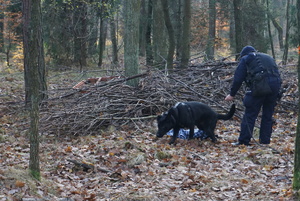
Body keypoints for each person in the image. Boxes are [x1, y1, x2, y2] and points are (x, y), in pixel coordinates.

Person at [225, 45, 281, 145]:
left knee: (250, 114)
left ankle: (243, 141)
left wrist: (232, 94)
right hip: (275, 85)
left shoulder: (246, 59)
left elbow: (238, 78)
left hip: (260, 86)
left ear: (243, 55)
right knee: (267, 115)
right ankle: (265, 141)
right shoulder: (268, 57)